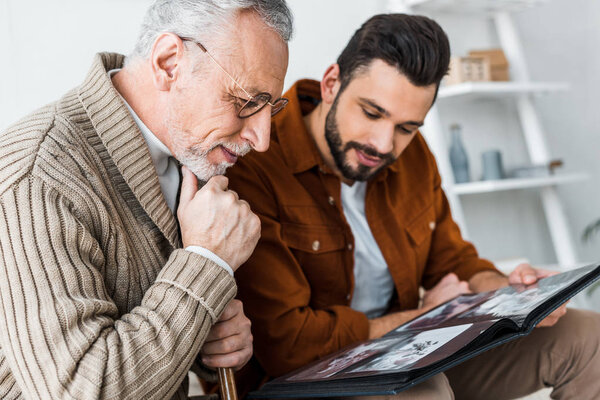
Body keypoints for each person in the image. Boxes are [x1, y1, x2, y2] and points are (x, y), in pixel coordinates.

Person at [226, 13, 600, 399]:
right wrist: (423, 319)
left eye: (407, 127)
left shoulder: (413, 156)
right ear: (331, 84)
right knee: (427, 392)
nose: (385, 144)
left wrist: (512, 291)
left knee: (590, 337)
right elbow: (289, 344)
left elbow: (453, 262)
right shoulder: (258, 161)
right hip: (305, 378)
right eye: (372, 113)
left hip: (412, 356)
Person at [0, 0, 292, 399]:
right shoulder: (37, 176)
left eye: (271, 107)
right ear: (170, 62)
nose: (262, 139)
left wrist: (206, 343)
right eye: (245, 101)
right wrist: (206, 264)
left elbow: (145, 318)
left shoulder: (194, 153)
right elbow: (80, 390)